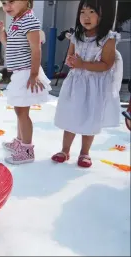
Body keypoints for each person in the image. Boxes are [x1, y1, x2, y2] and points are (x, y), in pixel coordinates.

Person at [52, 0, 120, 168]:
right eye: (83, 12)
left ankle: (84, 153)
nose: (86, 17)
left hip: (94, 86)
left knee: (90, 118)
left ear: (102, 15)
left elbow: (106, 65)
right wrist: (71, 61)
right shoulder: (76, 36)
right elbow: (70, 57)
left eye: (92, 12)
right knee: (71, 115)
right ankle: (65, 150)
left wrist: (83, 64)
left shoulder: (108, 39)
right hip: (75, 83)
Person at [0, 0, 51, 165]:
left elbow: (36, 49)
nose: (7, 7)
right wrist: (2, 32)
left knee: (22, 112)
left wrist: (33, 74)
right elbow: (9, 44)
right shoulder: (16, 21)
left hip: (27, 72)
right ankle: (20, 142)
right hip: (19, 73)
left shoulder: (29, 20)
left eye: (12, 2)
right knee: (19, 110)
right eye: (4, 3)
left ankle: (27, 150)